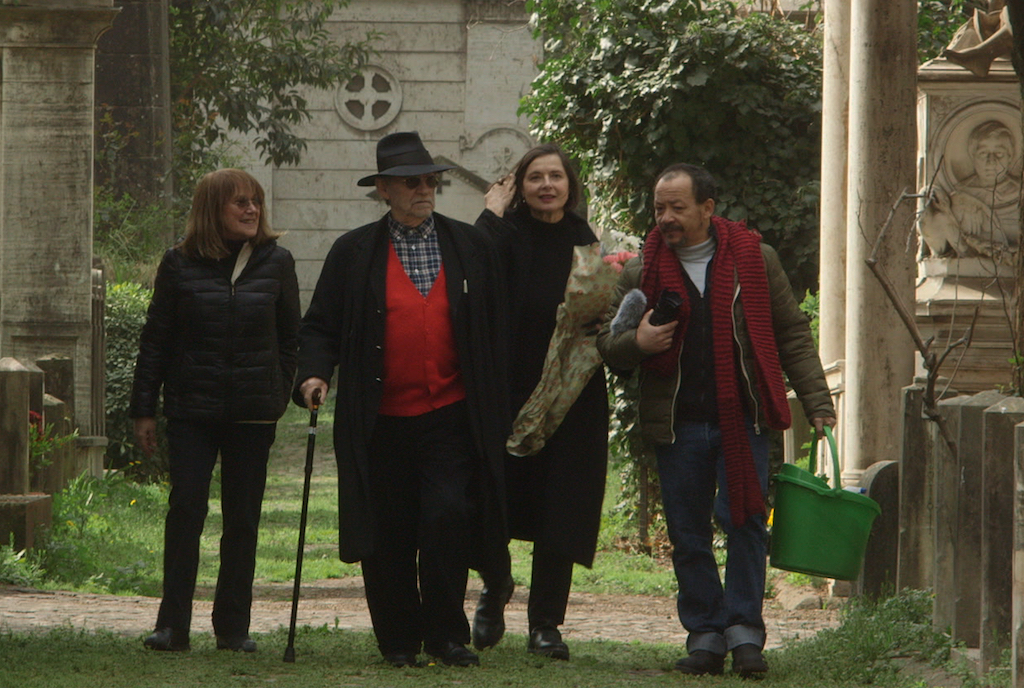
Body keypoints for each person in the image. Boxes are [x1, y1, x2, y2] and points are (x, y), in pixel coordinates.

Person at [596, 164, 836, 678]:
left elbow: (791, 332)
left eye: (677, 207)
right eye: (659, 208)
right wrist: (637, 343)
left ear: (708, 208)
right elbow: (608, 345)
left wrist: (817, 402)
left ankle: (745, 633)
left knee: (746, 522)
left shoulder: (754, 259)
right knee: (688, 533)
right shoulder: (643, 270)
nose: (666, 218)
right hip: (676, 425)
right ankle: (705, 635)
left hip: (743, 420)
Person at [293, 131, 510, 668]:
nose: (425, 188)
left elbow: (497, 323)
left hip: (451, 415)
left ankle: (444, 634)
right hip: (380, 419)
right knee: (385, 529)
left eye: (430, 179)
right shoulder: (354, 252)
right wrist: (314, 375)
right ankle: (396, 639)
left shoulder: (470, 245)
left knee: (447, 516)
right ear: (385, 190)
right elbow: (319, 326)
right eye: (412, 181)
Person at [131, 168, 301, 653]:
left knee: (242, 519)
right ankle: (172, 626)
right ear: (212, 210)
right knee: (186, 511)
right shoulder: (179, 263)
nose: (251, 211)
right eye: (239, 203)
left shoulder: (278, 262)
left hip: (253, 413)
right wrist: (144, 409)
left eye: (255, 202)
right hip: (192, 411)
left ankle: (233, 627)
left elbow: (292, 337)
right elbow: (156, 341)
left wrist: (277, 389)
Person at [470, 144, 608, 661]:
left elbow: (597, 308)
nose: (547, 185)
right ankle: (495, 584)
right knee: (495, 495)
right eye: (535, 177)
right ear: (518, 188)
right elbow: (474, 278)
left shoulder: (584, 239)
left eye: (556, 176)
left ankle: (546, 622)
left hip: (571, 394)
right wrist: (492, 211)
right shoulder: (501, 235)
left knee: (562, 503)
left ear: (570, 185)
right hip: (506, 385)